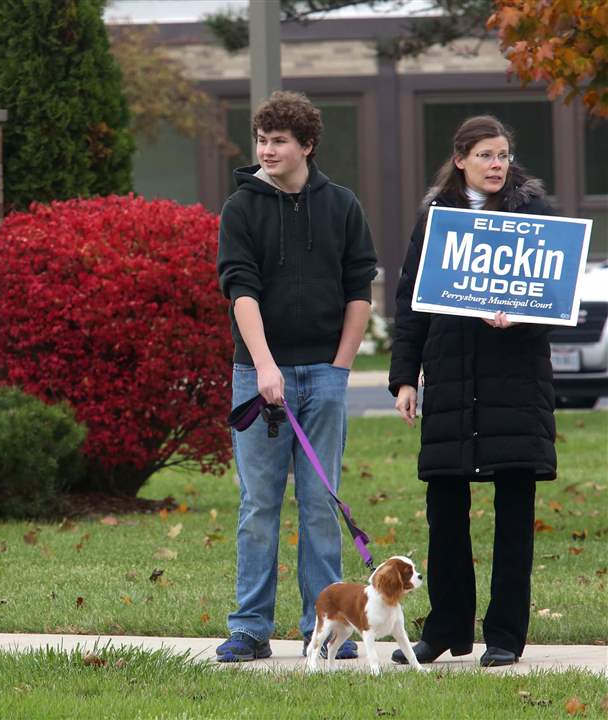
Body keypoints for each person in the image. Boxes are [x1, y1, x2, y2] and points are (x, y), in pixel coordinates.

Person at [388, 115, 557, 668]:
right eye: (485, 155)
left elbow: (555, 300)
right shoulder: (435, 220)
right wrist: (404, 377)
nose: (496, 165)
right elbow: (411, 301)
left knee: (514, 516)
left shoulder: (534, 216)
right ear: (460, 159)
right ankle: (445, 629)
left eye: (503, 155)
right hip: (451, 384)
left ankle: (505, 635)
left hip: (516, 387)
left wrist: (521, 315)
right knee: (444, 513)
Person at [216, 91, 378, 662]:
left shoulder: (342, 205)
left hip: (323, 377)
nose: (266, 150)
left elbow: (359, 290)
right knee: (259, 506)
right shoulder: (241, 208)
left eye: (279, 141)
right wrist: (264, 366)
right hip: (258, 375)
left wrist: (340, 369)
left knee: (319, 506)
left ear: (306, 145)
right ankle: (250, 629)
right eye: (262, 140)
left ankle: (326, 628)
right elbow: (241, 291)